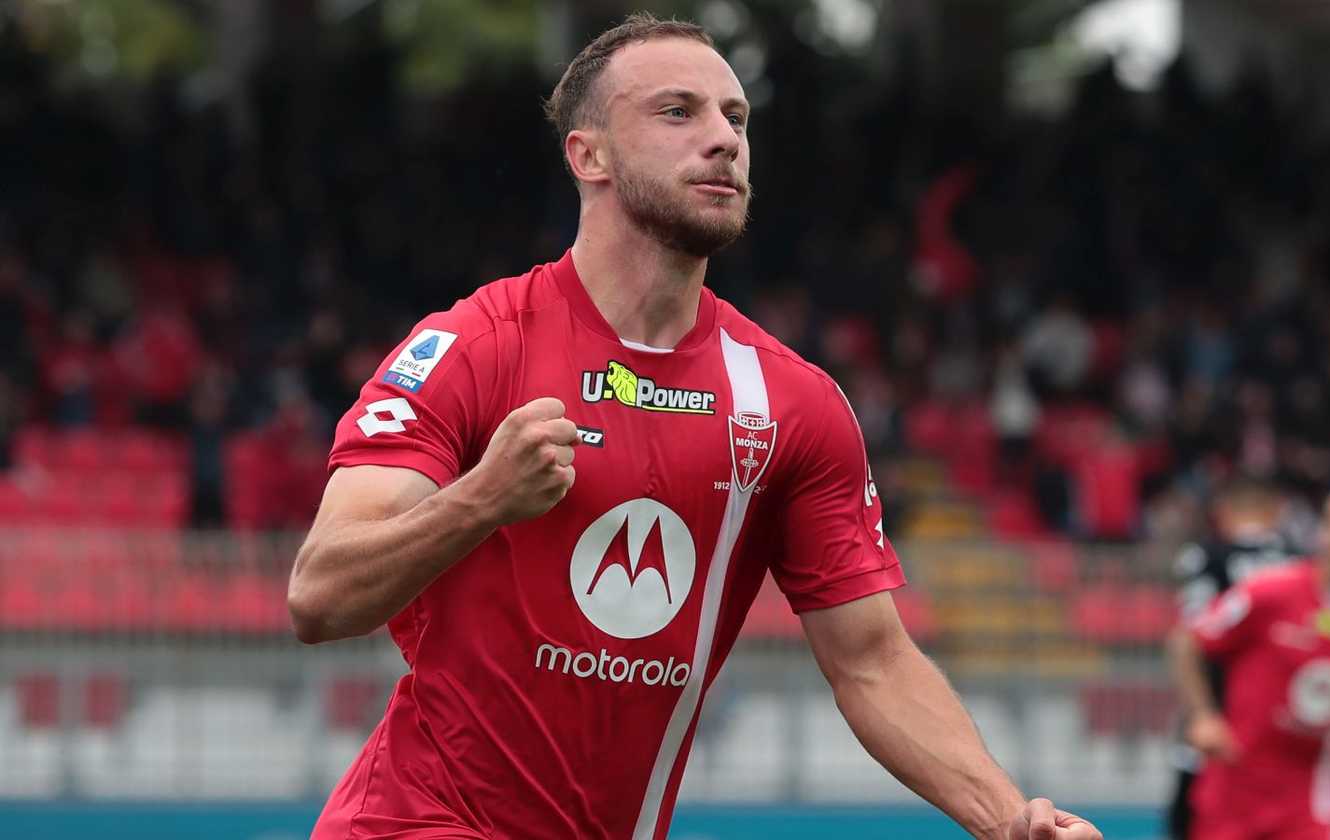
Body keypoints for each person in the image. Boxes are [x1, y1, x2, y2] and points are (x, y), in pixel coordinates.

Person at [288, 12, 1101, 840]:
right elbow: (320, 596)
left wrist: (1008, 820)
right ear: (589, 155)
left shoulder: (789, 402)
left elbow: (871, 661)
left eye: (736, 117)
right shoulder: (472, 347)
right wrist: (480, 501)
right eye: (678, 112)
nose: (724, 139)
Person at [1168, 486, 1330, 840]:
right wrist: (1202, 716)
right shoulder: (1269, 590)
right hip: (1234, 788)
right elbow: (1187, 641)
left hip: (1309, 798)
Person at [1165, 479, 1298, 840]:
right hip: (1283, 718)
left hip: (1218, 708)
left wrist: (1200, 711)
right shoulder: (1299, 560)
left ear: (1222, 513)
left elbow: (1188, 634)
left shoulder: (1207, 554)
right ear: (1275, 513)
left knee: (1197, 815)